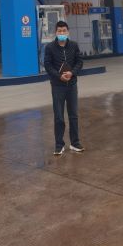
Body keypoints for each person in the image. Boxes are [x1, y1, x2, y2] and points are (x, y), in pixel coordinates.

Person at [43, 20, 84, 156]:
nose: (62, 33)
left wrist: (72, 73)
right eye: (59, 31)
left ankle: (75, 143)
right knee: (59, 116)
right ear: (56, 32)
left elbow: (79, 62)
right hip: (57, 86)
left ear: (68, 32)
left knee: (73, 115)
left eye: (64, 31)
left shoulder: (74, 45)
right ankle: (59, 145)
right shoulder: (50, 47)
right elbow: (48, 65)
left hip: (72, 85)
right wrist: (59, 76)